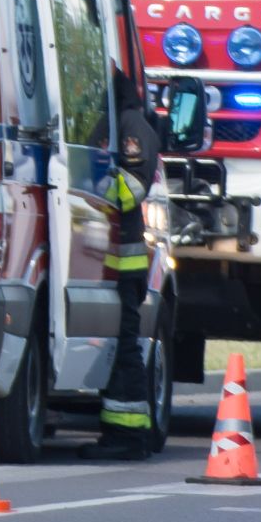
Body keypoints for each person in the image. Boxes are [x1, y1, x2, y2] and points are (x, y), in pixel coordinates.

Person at [85, 69, 164, 460]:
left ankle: (129, 438)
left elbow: (132, 187)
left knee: (126, 350)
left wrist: (93, 186)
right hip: (109, 258)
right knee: (119, 349)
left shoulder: (132, 127)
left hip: (126, 259)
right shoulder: (117, 121)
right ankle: (123, 436)